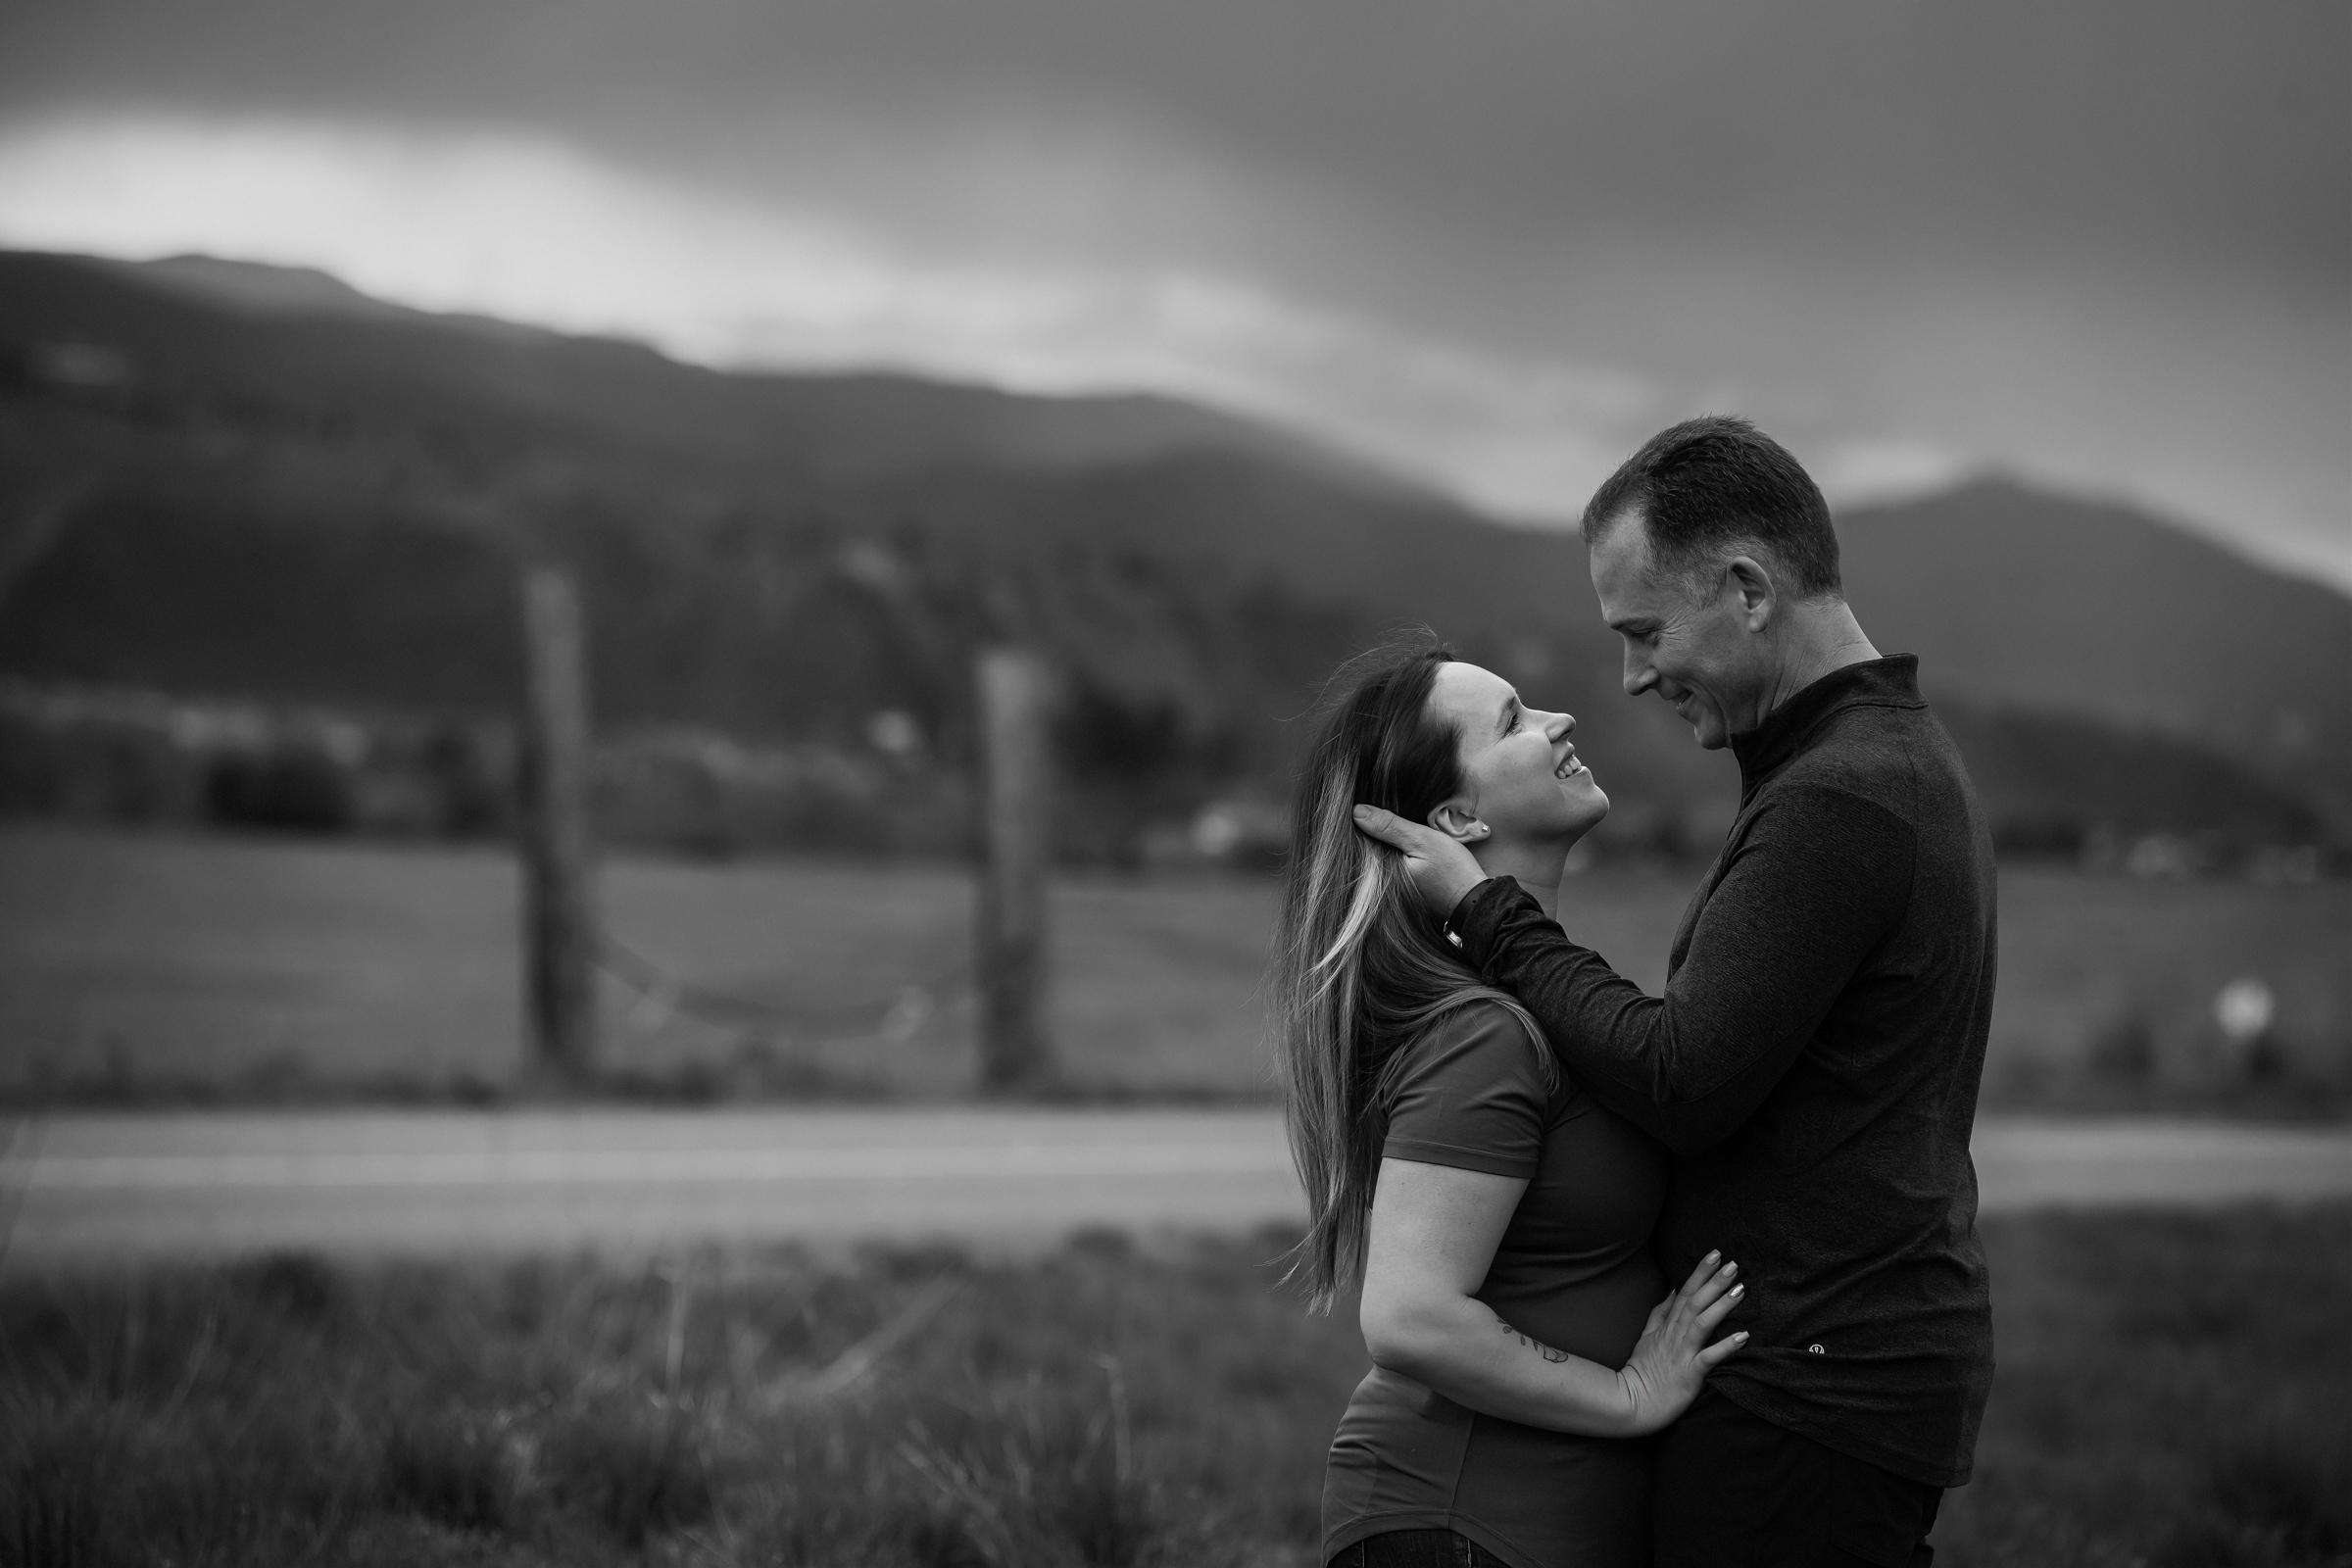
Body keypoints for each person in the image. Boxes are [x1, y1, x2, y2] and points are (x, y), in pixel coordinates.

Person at [1354, 416, 1996, 1567]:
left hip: (1811, 1386)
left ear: (1748, 590)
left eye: (1645, 631)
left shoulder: (1841, 795)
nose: (1633, 676)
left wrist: (1488, 913)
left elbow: (1681, 1076)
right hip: (1820, 1378)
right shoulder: (1863, 766)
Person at [1272, 637, 1744, 1568]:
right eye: (1514, 721)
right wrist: (1628, 1398)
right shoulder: (1485, 1035)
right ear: (1459, 817)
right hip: (1457, 1520)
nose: (1559, 720)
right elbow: (1410, 1317)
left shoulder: (1535, 1000)